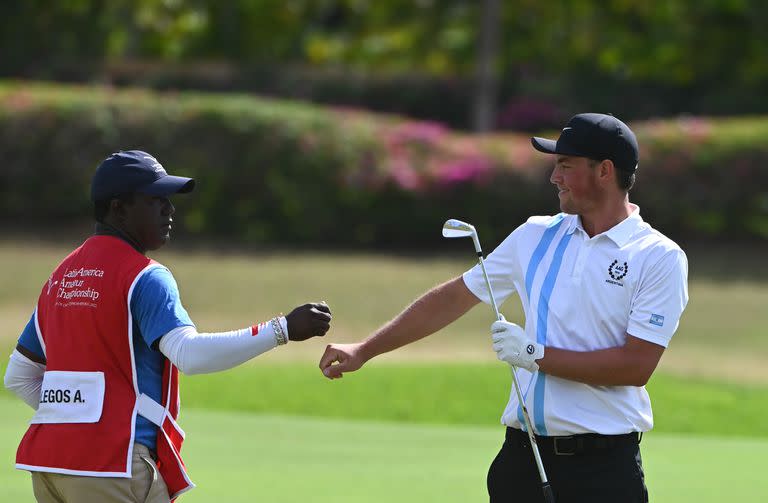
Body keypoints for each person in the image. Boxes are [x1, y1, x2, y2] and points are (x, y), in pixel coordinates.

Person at [319, 113, 688, 502]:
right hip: (521, 462)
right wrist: (366, 349)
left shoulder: (658, 257)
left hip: (604, 471)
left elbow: (635, 366)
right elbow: (454, 297)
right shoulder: (534, 235)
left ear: (605, 171)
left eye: (565, 166)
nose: (554, 177)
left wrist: (535, 355)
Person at [4, 150, 333, 503]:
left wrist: (77, 421)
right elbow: (189, 355)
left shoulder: (62, 277)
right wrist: (282, 329)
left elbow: (19, 376)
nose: (169, 210)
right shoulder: (144, 276)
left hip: (50, 465)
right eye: (155, 200)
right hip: (112, 465)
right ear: (119, 208)